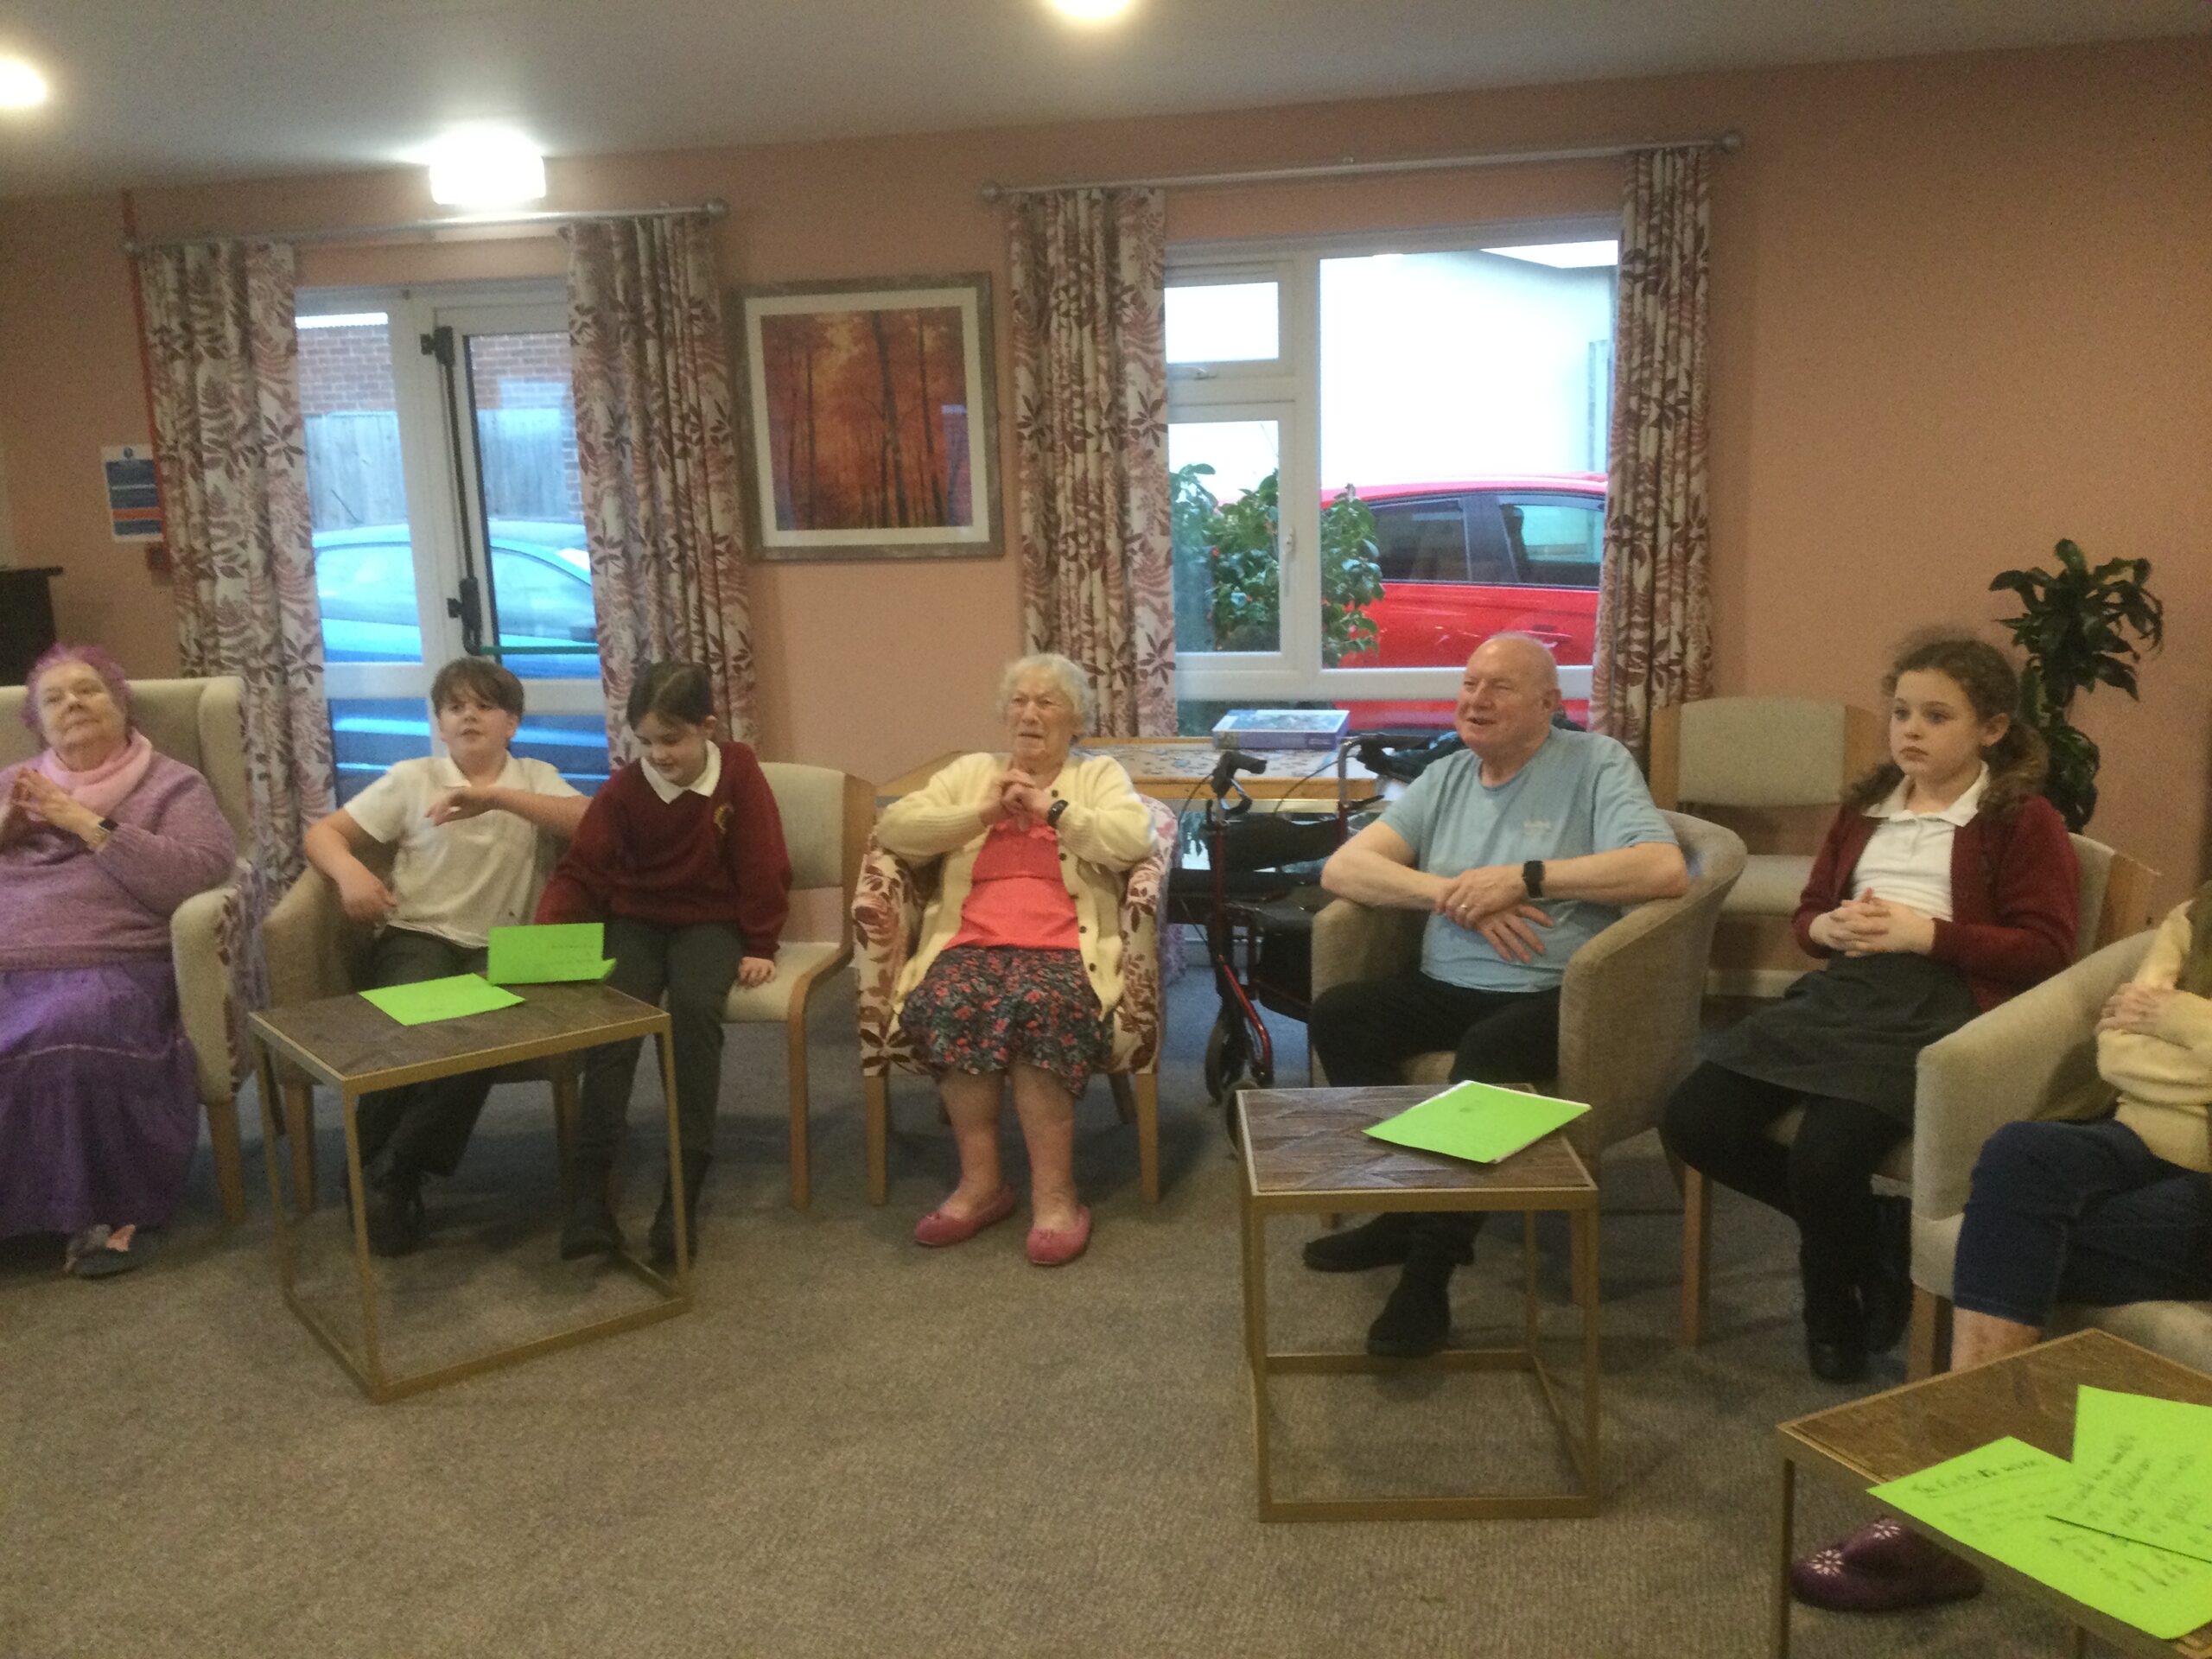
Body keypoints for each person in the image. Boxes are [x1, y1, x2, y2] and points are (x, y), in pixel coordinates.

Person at [1661, 632, 2079, 1382]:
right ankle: (1875, 1237)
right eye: (1902, 712)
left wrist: (1929, 934)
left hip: (1942, 1004)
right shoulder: (1865, 808)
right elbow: (1811, 912)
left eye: (1937, 717)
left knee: (1827, 1159)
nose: (1911, 731)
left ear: (1990, 730)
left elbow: (2045, 948)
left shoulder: (2022, 819)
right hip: (1846, 992)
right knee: (1693, 1119)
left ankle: (1831, 1311)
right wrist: (1824, 928)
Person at [1792, 886, 2212, 1614]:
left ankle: (1948, 1509)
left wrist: (2180, 1018)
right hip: (2144, 1133)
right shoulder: (2199, 913)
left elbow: (2150, 1023)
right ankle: (1974, 1472)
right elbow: (2120, 1048)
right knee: (2023, 1153)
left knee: (2006, 1238)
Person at [1302, 632, 1688, 1355]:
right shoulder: (1448, 774)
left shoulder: (1594, 763)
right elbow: (1345, 869)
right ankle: (1402, 1209)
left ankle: (1429, 1272)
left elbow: (1663, 869)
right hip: (1448, 981)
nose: (1476, 700)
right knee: (1343, 1016)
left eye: (1499, 688)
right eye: (1470, 684)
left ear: (1549, 703)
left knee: (1488, 1052)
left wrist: (1527, 877)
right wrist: (1454, 893)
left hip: (1557, 993)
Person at [874, 652, 1158, 1267]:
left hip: (1062, 946)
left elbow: (1135, 840)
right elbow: (896, 828)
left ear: (1074, 719)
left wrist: (1050, 808)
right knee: (950, 1000)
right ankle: (981, 1186)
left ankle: (1056, 1196)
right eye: (1019, 702)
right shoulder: (971, 771)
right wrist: (983, 812)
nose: (1030, 714)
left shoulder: (1097, 774)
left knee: (1042, 1003)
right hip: (971, 940)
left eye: (1047, 702)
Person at [301, 657, 588, 1255]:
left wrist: (497, 798)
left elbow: (589, 821)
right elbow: (322, 835)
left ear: (512, 722)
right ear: (438, 722)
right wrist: (351, 874)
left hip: (506, 948)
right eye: (455, 707)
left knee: (480, 1032)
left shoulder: (535, 775)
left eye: (484, 705)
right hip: (419, 933)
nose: (468, 716)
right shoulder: (411, 776)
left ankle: (390, 1169)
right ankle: (387, 1170)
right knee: (411, 1025)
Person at [536, 661, 789, 1268]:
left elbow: (763, 862)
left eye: (671, 740)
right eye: (646, 742)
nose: (659, 754)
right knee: (615, 1021)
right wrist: (549, 936)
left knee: (697, 1012)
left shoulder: (740, 773)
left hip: (711, 921)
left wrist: (760, 942)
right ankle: (590, 1195)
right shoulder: (624, 790)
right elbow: (583, 871)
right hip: (639, 919)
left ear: (707, 727)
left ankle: (682, 1191)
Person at [0, 645, 236, 1276]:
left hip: (112, 961)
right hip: (8, 961)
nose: (72, 703)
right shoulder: (9, 785)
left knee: (69, 1030)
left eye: (88, 690)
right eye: (54, 698)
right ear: (37, 723)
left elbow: (195, 874)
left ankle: (107, 1212)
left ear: (120, 704)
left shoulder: (171, 784)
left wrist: (80, 819)